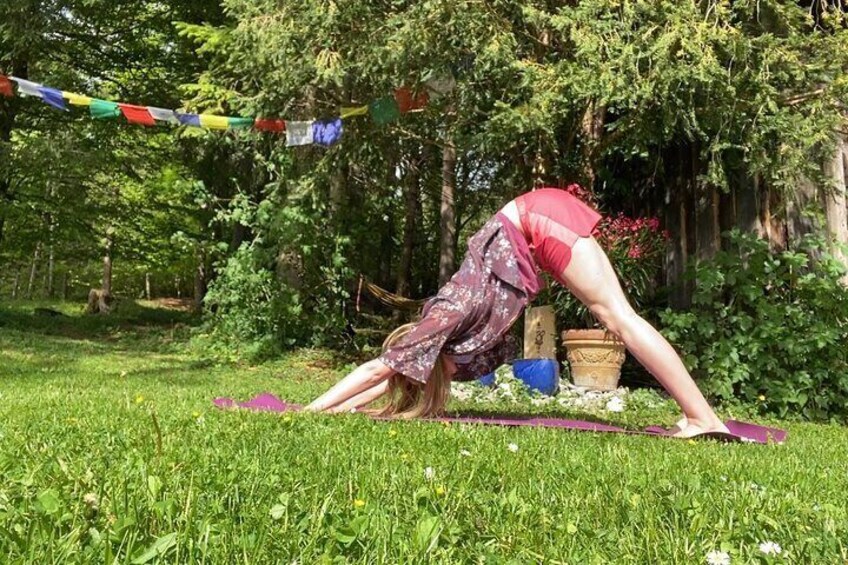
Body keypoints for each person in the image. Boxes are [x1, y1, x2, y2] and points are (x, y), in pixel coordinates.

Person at [305, 186, 729, 438]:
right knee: (618, 315)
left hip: (535, 219)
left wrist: (308, 413)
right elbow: (392, 377)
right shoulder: (443, 347)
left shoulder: (441, 322)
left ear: (413, 345)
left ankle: (701, 417)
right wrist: (341, 410)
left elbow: (377, 370)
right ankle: (701, 416)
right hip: (533, 217)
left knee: (618, 317)